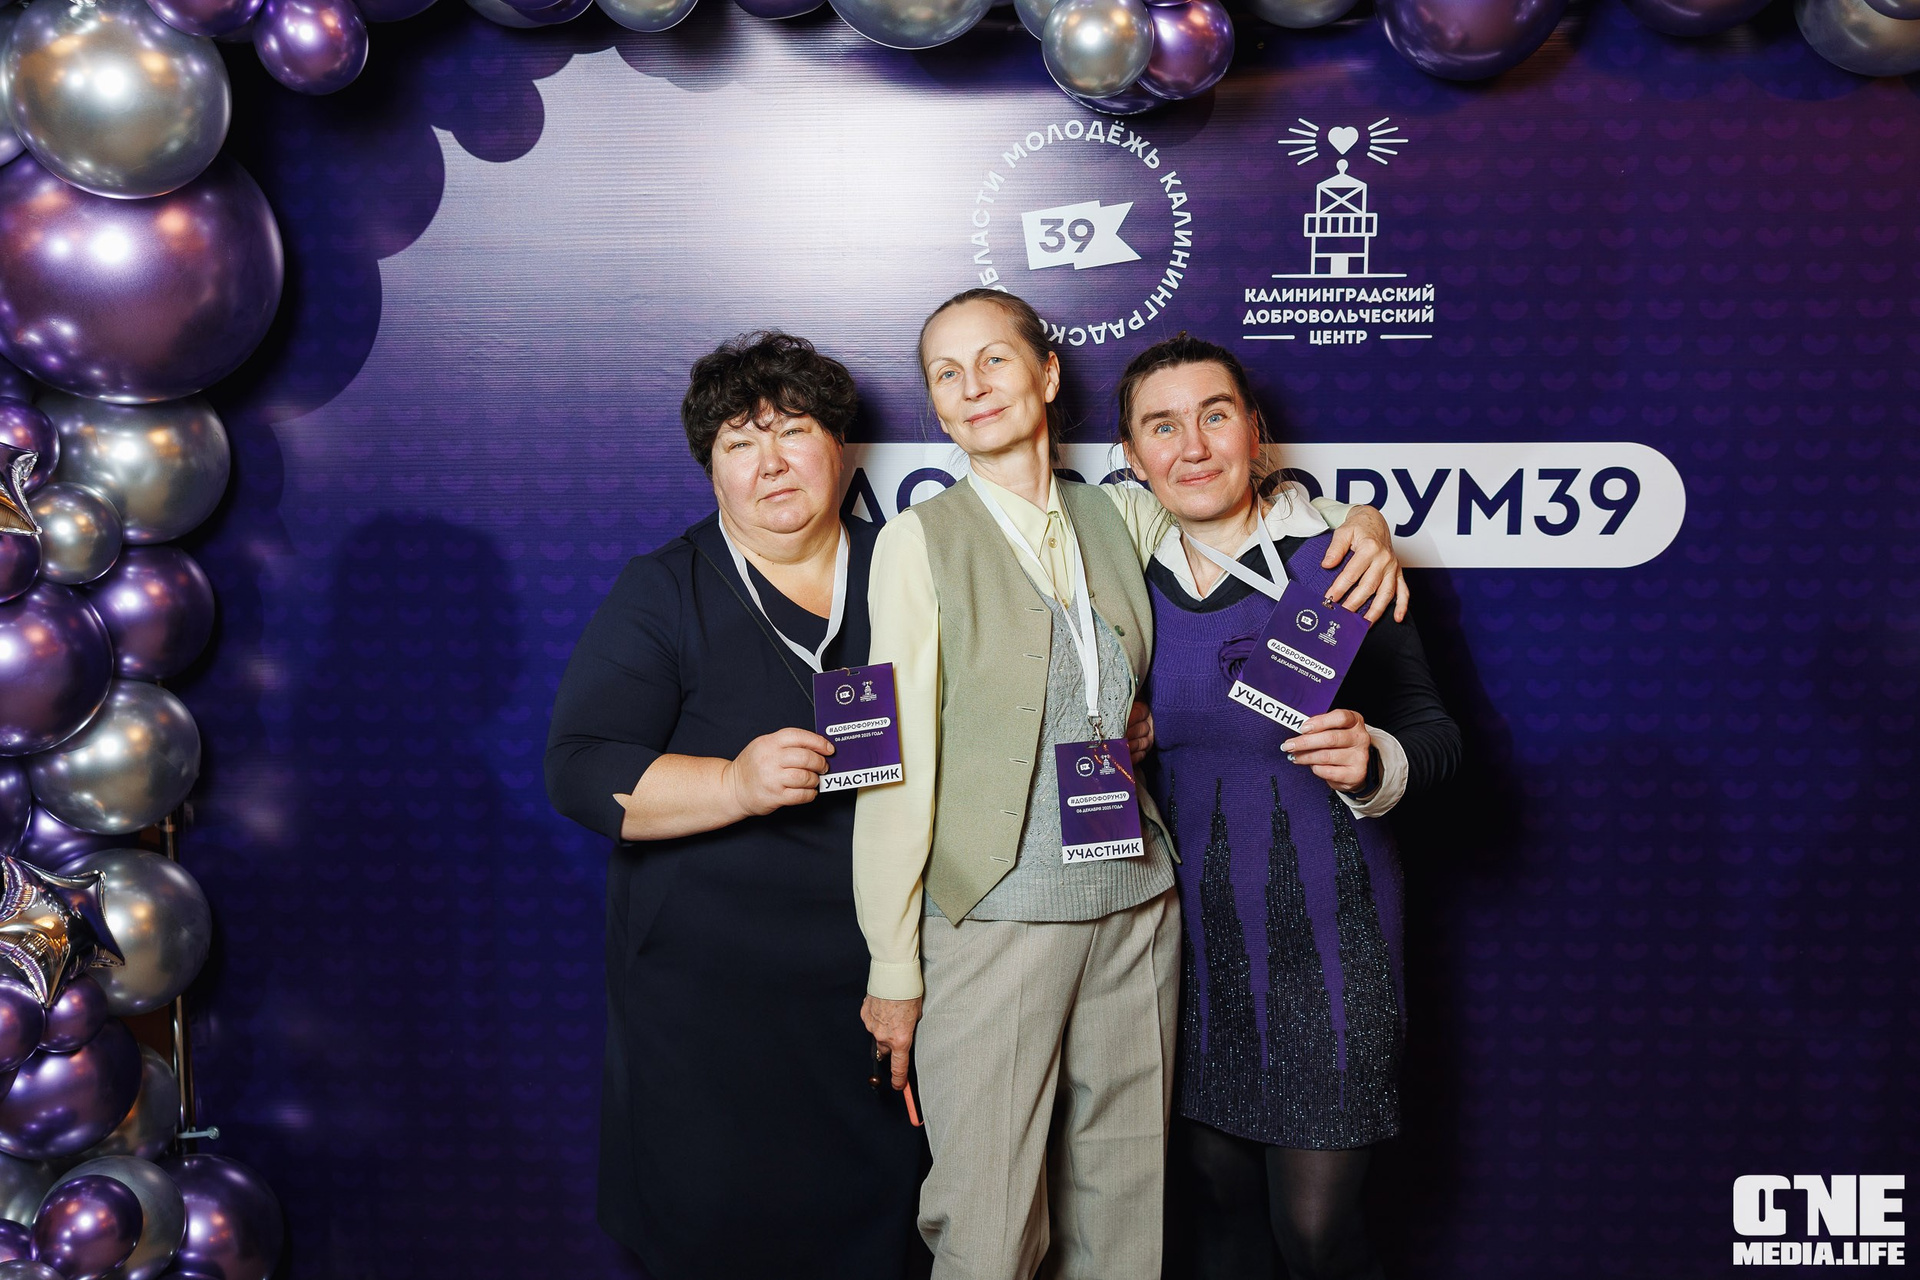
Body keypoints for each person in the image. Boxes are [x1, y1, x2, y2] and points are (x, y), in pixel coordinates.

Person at [852, 290, 1407, 1280]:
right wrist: (894, 963)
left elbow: (1254, 503)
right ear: (934, 404)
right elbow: (889, 767)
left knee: (1123, 1215)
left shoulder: (1119, 512)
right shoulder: (917, 540)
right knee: (989, 1226)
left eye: (994, 360)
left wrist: (1364, 524)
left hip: (1138, 905)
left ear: (1047, 374)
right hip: (998, 910)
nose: (973, 386)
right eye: (947, 373)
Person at [544, 333, 928, 1280]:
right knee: (724, 1235)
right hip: (710, 1006)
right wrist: (732, 783)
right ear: (711, 468)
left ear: (839, 446)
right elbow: (580, 769)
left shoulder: (913, 568)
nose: (771, 463)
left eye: (793, 431)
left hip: (882, 985)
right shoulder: (664, 587)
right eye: (739, 442)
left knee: (892, 1237)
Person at [1115, 334, 1462, 1280]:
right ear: (1132, 457)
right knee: (1221, 1224)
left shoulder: (1337, 560)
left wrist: (1374, 757)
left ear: (1256, 434)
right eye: (1163, 426)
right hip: (1188, 953)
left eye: (1215, 415)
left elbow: (1436, 733)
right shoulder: (1122, 572)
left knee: (1315, 1238)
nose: (1193, 445)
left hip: (1329, 945)